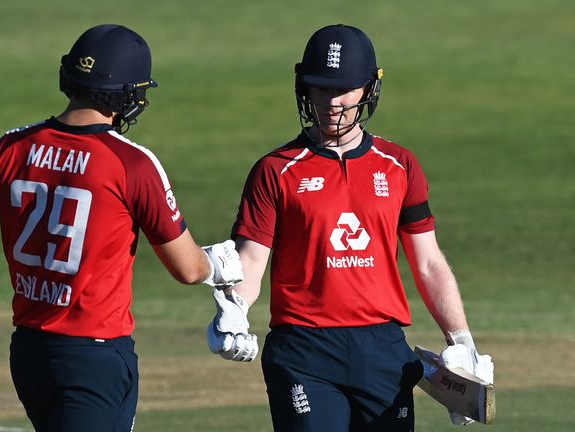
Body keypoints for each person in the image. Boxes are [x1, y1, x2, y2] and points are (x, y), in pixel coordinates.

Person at [0, 24, 245, 432]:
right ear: (127, 95)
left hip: (30, 354)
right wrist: (218, 266)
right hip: (95, 359)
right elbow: (188, 269)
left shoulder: (9, 148)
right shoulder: (131, 163)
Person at [206, 24, 494, 431]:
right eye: (321, 89)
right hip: (304, 349)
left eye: (345, 90)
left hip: (383, 350)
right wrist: (235, 310)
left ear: (369, 89)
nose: (332, 102)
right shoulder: (275, 170)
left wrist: (462, 343)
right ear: (304, 88)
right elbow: (251, 260)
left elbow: (428, 263)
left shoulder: (400, 166)